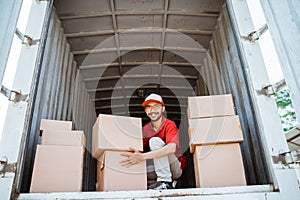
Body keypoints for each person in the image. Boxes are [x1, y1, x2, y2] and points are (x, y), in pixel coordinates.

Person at [120, 93, 186, 190]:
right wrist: (137, 154)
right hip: (159, 167)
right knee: (139, 168)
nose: (152, 110)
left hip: (175, 167)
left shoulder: (169, 124)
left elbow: (171, 148)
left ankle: (166, 183)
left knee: (154, 141)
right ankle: (153, 186)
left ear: (162, 109)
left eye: (156, 106)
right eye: (149, 107)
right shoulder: (146, 128)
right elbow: (140, 148)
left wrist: (142, 157)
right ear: (146, 111)